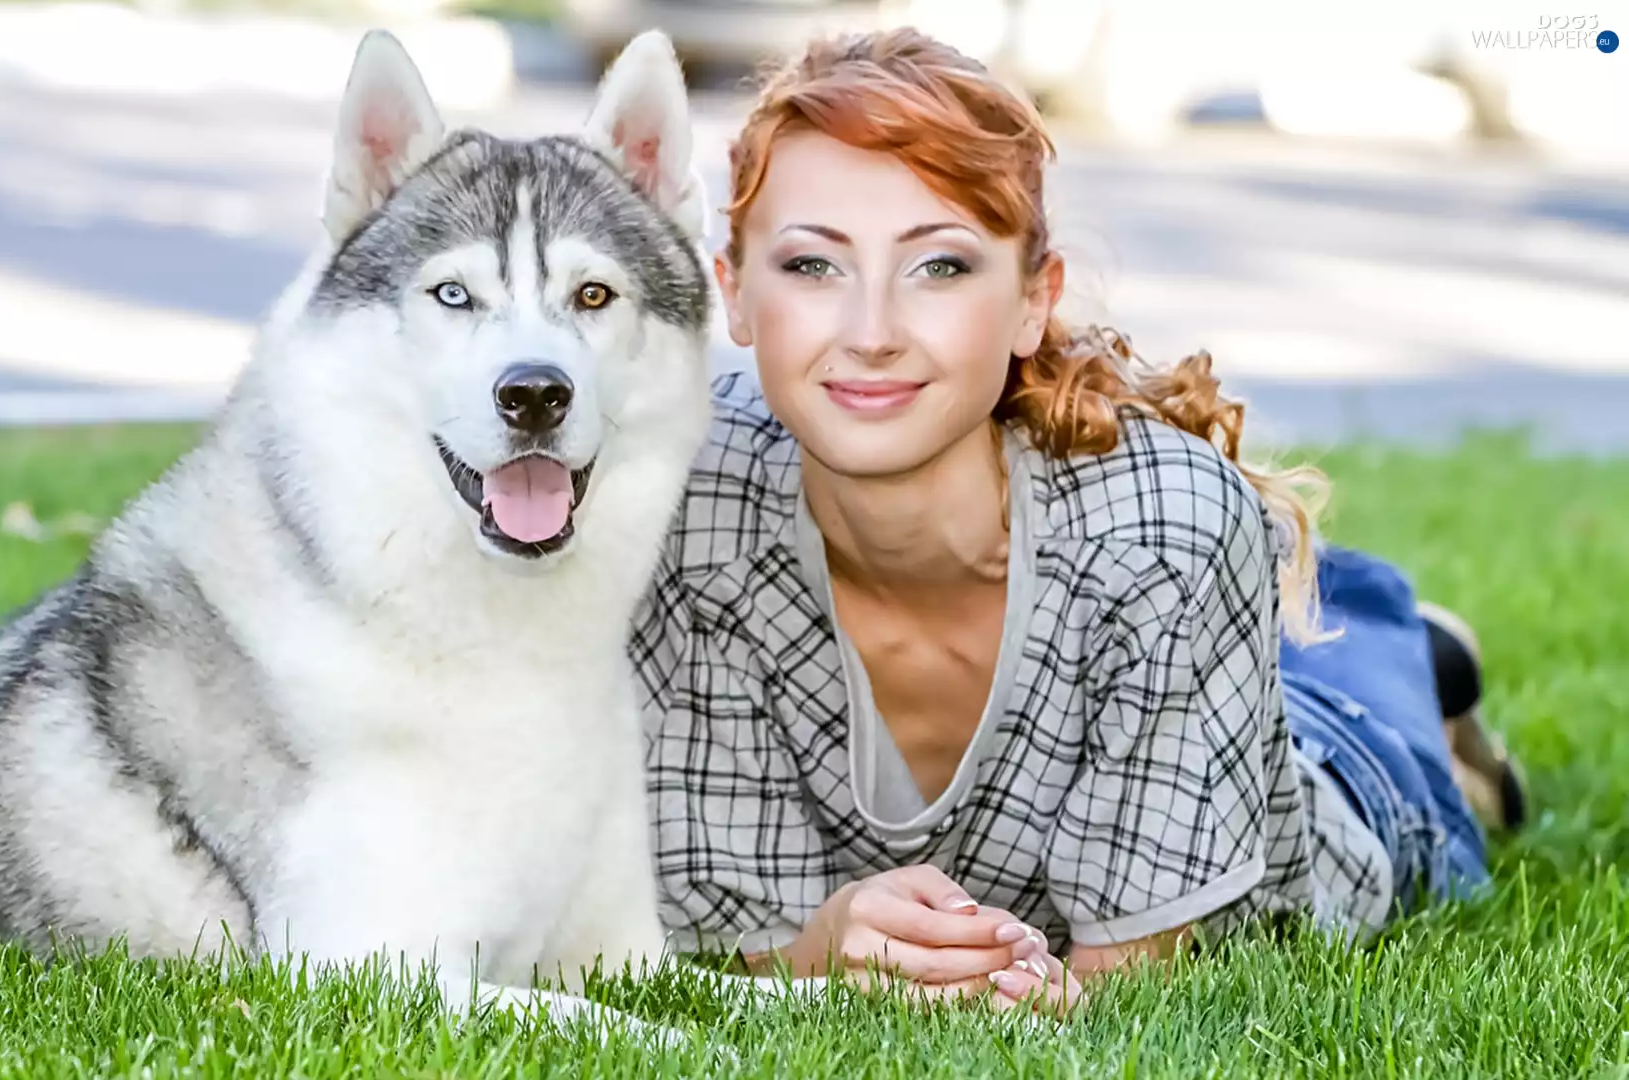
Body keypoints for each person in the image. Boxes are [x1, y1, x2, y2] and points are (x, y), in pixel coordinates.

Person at [628, 28, 1527, 1015]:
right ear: (734, 293)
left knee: (1407, 767)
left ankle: (1400, 652)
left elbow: (1123, 990)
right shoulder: (680, 503)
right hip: (1149, 663)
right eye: (811, 266)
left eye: (938, 268)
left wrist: (1022, 995)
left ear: (1030, 303)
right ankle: (1358, 621)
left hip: (1325, 798)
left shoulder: (1164, 535)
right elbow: (726, 932)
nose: (872, 332)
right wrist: (821, 951)